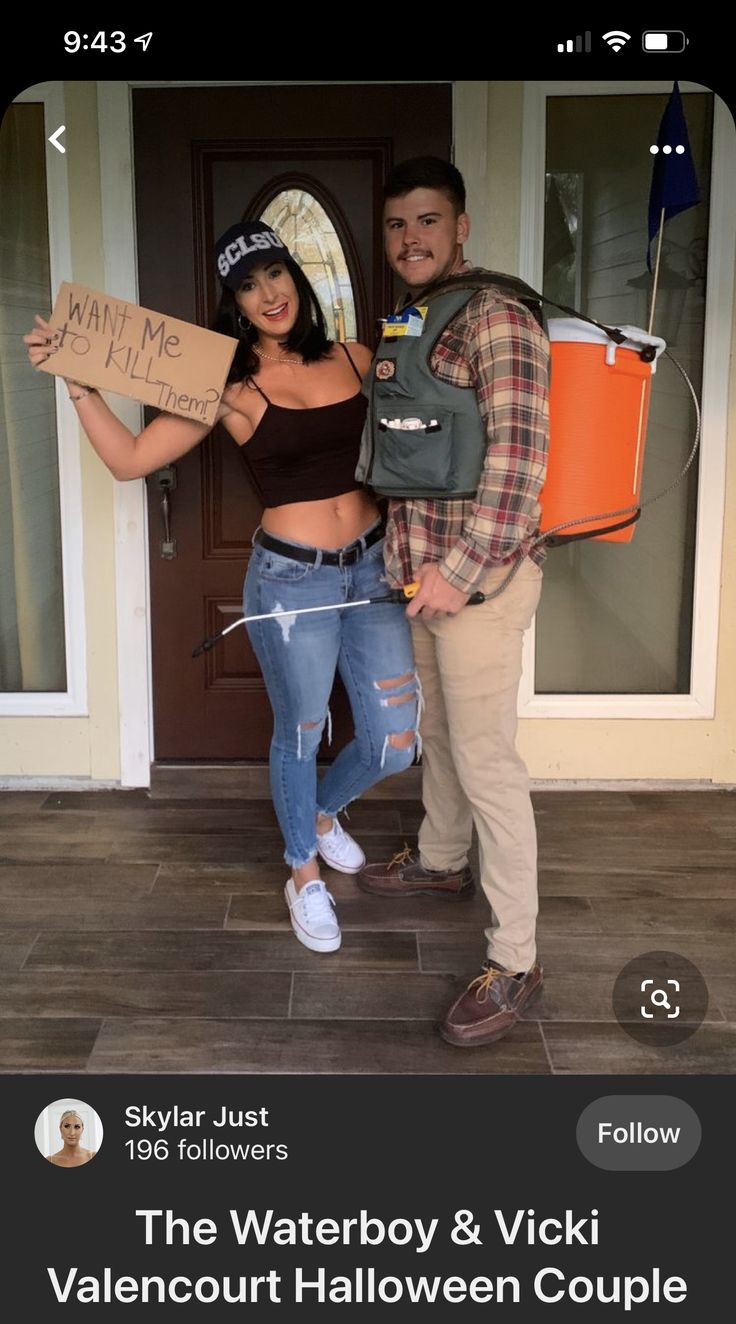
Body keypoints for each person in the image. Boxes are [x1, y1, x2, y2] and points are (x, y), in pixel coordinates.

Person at [25, 222, 419, 955]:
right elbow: (133, 459)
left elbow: (416, 446)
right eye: (248, 284)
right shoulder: (228, 387)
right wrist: (78, 387)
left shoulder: (359, 358)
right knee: (300, 732)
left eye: (276, 274)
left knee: (395, 741)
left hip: (373, 569)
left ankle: (323, 815)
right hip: (291, 581)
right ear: (235, 304)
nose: (268, 294)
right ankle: (302, 873)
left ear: (297, 280)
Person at [357, 158, 550, 1045]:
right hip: (422, 572)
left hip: (479, 580)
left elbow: (518, 465)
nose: (412, 239)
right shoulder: (410, 320)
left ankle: (516, 959)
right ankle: (441, 860)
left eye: (429, 222)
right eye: (399, 226)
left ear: (461, 226)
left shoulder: (498, 318)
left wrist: (461, 572)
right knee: (440, 734)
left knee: (488, 763)